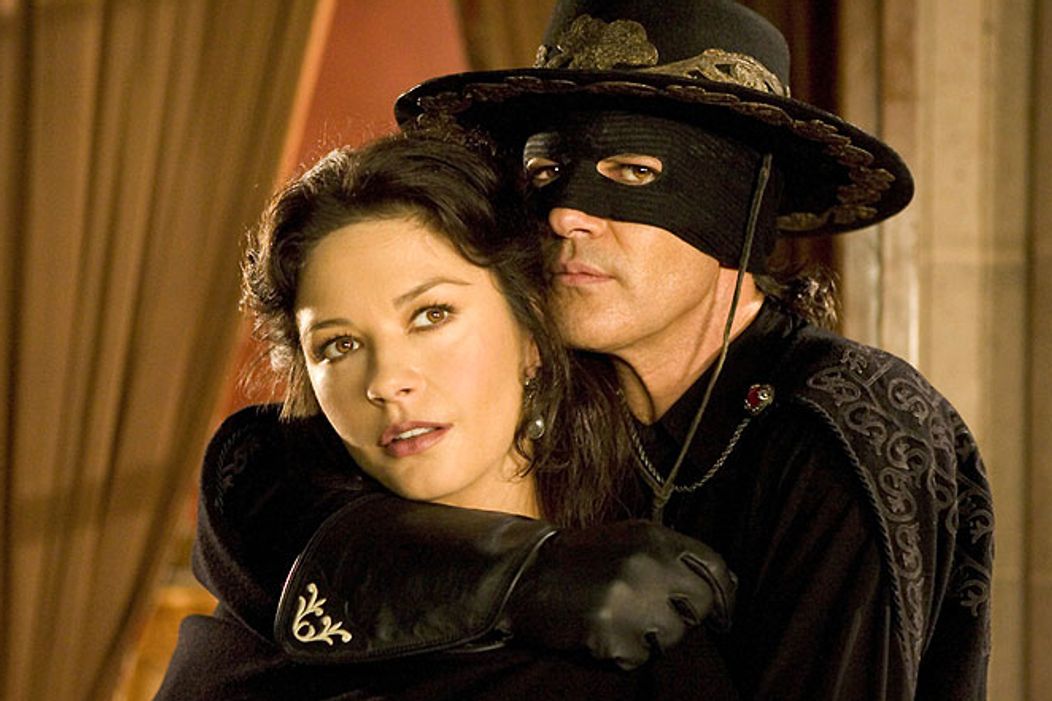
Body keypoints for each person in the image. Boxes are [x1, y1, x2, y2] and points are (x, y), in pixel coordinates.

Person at [186, 1, 995, 699]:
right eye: (545, 173)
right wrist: (519, 573)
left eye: (630, 171)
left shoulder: (846, 428)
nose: (566, 215)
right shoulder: (544, 372)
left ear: (738, 206)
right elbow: (258, 476)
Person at [156, 131, 734, 699]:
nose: (387, 382)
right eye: (339, 345)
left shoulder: (648, 616)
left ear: (532, 333)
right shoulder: (261, 616)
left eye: (432, 315)